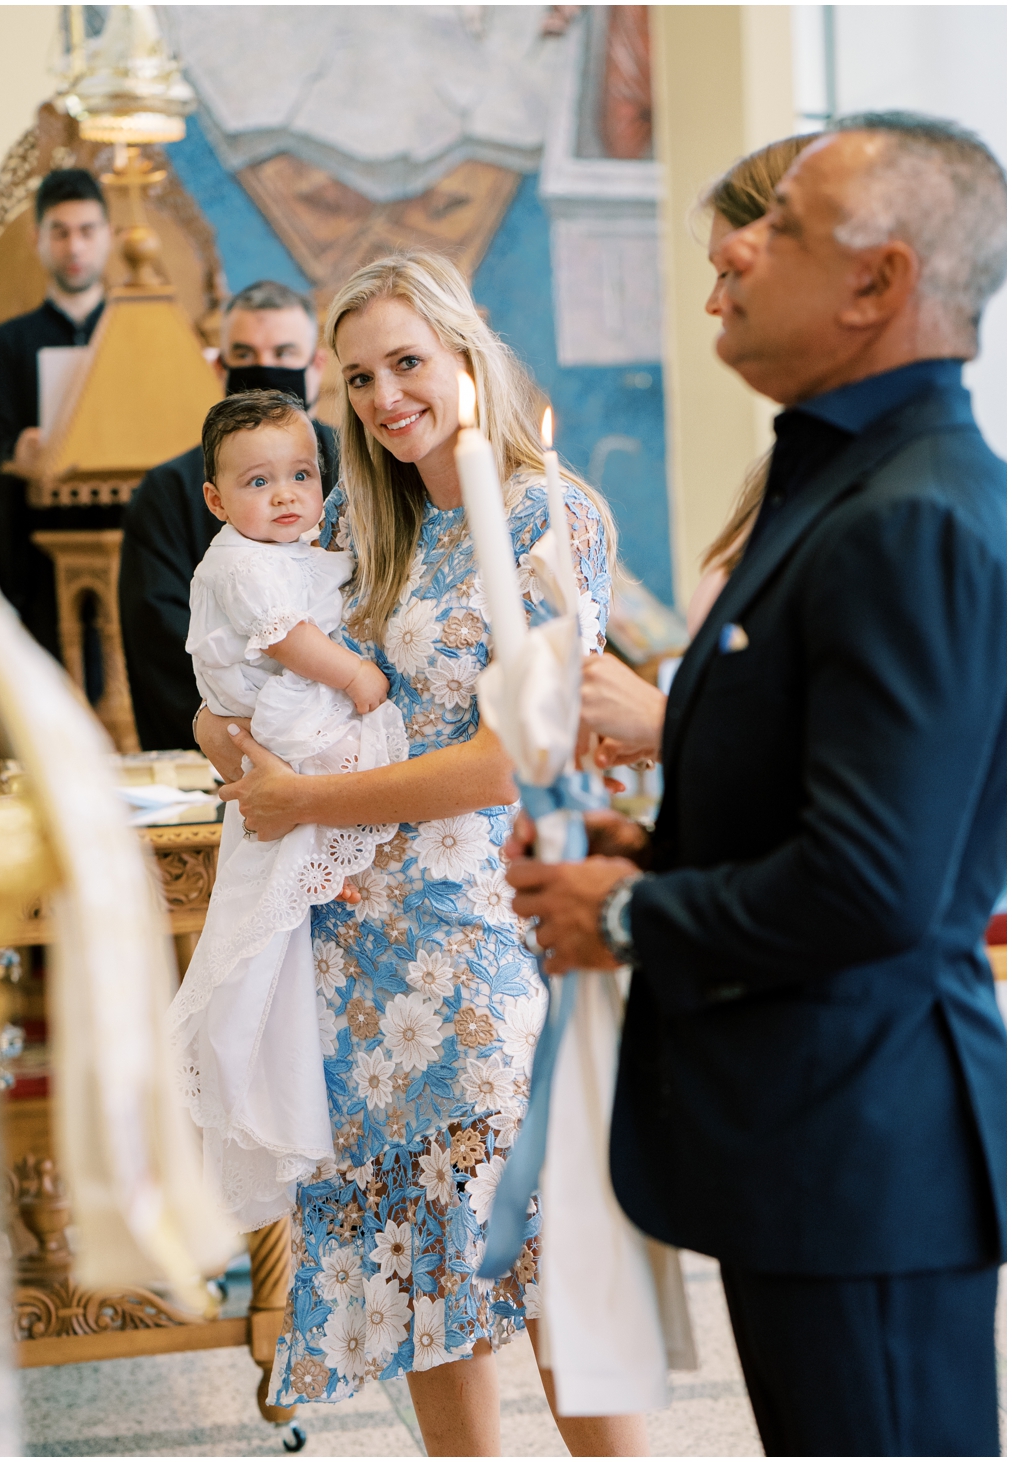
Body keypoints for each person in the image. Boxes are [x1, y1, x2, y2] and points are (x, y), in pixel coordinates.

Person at [507, 113, 1007, 1456]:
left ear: (877, 282)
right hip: (807, 1127)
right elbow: (807, 795)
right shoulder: (843, 479)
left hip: (870, 1137)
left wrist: (626, 913)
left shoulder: (908, 511)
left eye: (781, 225)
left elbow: (875, 881)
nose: (735, 245)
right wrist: (650, 845)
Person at [199, 252, 646, 1456]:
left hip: (484, 936)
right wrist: (222, 730)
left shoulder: (552, 513)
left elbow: (516, 757)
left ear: (462, 353)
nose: (385, 396)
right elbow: (245, 656)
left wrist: (307, 801)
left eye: (405, 362)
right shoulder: (353, 517)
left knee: (542, 1259)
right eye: (356, 378)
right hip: (352, 946)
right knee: (420, 1286)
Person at [168, 389, 403, 1234]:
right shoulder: (239, 560)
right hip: (279, 720)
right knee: (259, 934)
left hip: (277, 729)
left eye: (302, 474)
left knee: (272, 933)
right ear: (217, 501)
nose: (286, 495)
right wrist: (353, 676)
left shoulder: (297, 545)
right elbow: (283, 639)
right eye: (260, 482)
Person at [578, 135, 816, 772]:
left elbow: (859, 773)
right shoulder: (795, 467)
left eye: (731, 271)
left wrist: (666, 723)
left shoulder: (895, 496)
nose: (713, 303)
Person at [120, 279, 341, 748]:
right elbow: (159, 631)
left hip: (342, 717)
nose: (265, 369)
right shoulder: (166, 490)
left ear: (317, 366)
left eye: (284, 353)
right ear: (220, 367)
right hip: (227, 730)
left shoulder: (355, 470)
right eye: (244, 355)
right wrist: (234, 728)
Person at [0, 167, 113, 660]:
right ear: (39, 240)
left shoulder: (130, 335)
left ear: (107, 237)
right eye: (61, 232)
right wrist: (16, 453)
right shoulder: (5, 343)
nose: (75, 247)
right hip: (35, 546)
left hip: (121, 530)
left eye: (87, 231)